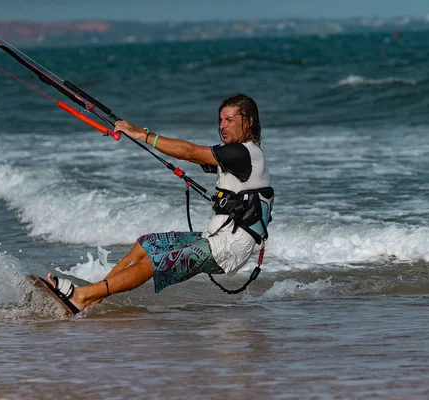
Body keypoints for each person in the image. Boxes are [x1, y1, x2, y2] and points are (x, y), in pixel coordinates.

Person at [45, 93, 274, 313]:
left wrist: (143, 134)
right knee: (146, 244)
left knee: (157, 260)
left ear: (249, 122)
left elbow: (190, 152)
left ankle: (81, 296)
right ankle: (94, 298)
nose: (223, 125)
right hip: (216, 237)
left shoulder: (245, 153)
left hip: (231, 245)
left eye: (230, 120)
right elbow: (194, 157)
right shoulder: (235, 155)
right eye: (221, 120)